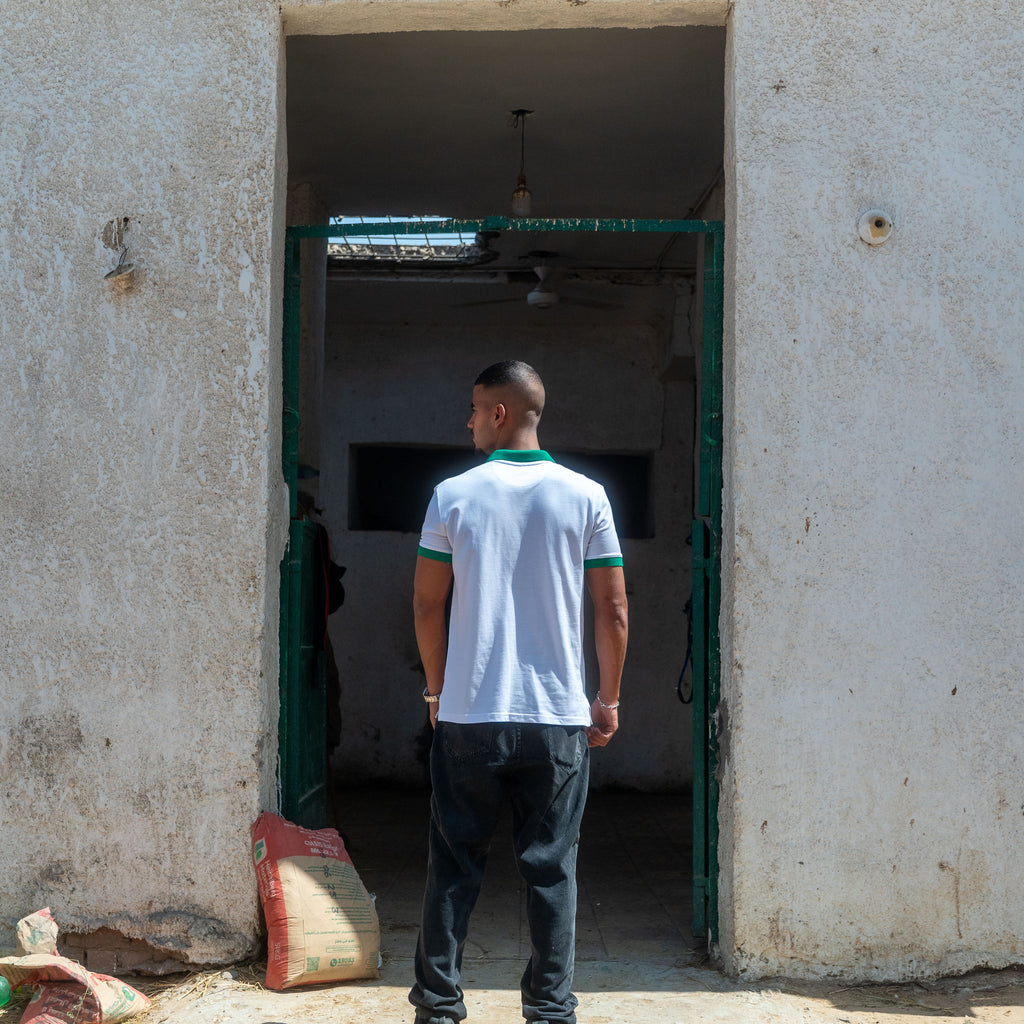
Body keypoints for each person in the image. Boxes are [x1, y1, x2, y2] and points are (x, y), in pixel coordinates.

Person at [408, 360, 629, 1024]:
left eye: (475, 409)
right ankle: (551, 1011)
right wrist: (608, 699)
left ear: (500, 413)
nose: (469, 421)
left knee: (453, 868)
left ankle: (440, 1009)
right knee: (552, 873)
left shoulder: (452, 495)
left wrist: (437, 694)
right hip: (558, 720)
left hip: (471, 716)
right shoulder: (587, 496)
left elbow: (426, 606)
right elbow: (613, 609)